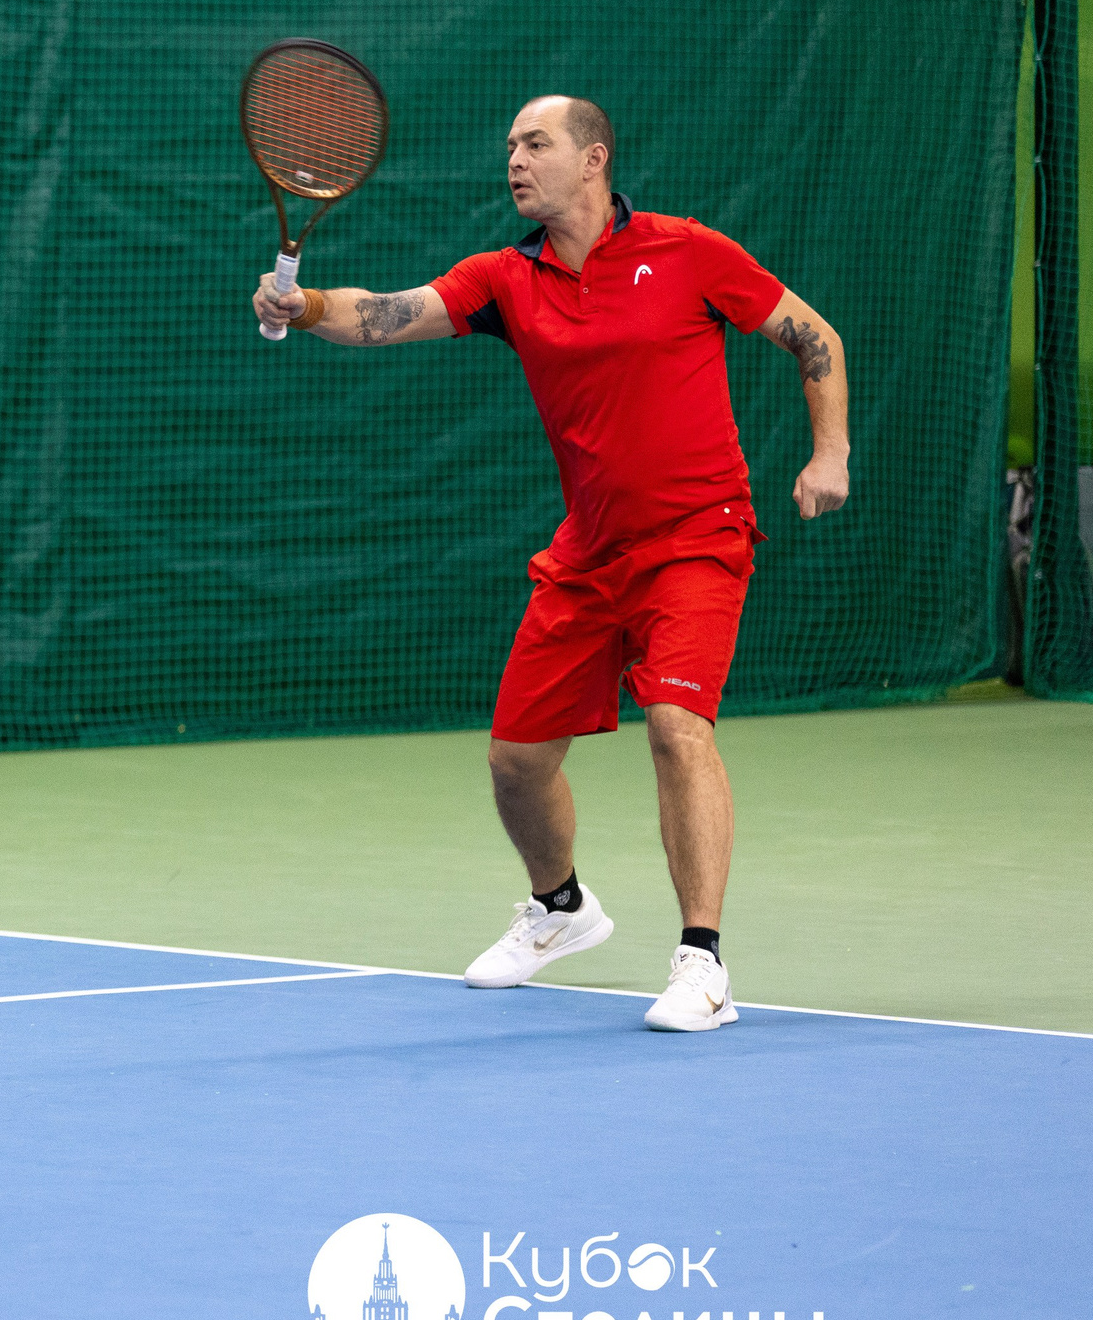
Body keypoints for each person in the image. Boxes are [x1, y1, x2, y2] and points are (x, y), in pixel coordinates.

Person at [253, 95, 850, 1032]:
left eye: (536, 144)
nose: (516, 161)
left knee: (675, 724)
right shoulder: (505, 277)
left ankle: (704, 965)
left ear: (595, 158)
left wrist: (830, 452)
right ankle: (561, 909)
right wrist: (310, 303)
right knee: (516, 762)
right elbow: (390, 313)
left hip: (699, 532)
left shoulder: (688, 252)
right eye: (509, 147)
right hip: (590, 551)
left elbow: (815, 337)